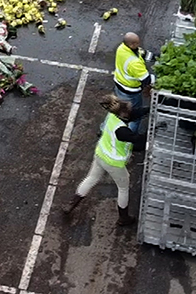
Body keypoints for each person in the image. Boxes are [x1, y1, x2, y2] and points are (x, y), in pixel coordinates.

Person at [63, 94, 149, 225]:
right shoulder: (122, 131)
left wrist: (149, 110)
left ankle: (71, 204)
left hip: (100, 154)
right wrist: (152, 132)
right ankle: (123, 218)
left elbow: (135, 113)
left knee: (91, 178)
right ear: (124, 115)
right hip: (113, 162)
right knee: (123, 188)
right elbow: (139, 141)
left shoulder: (112, 116)